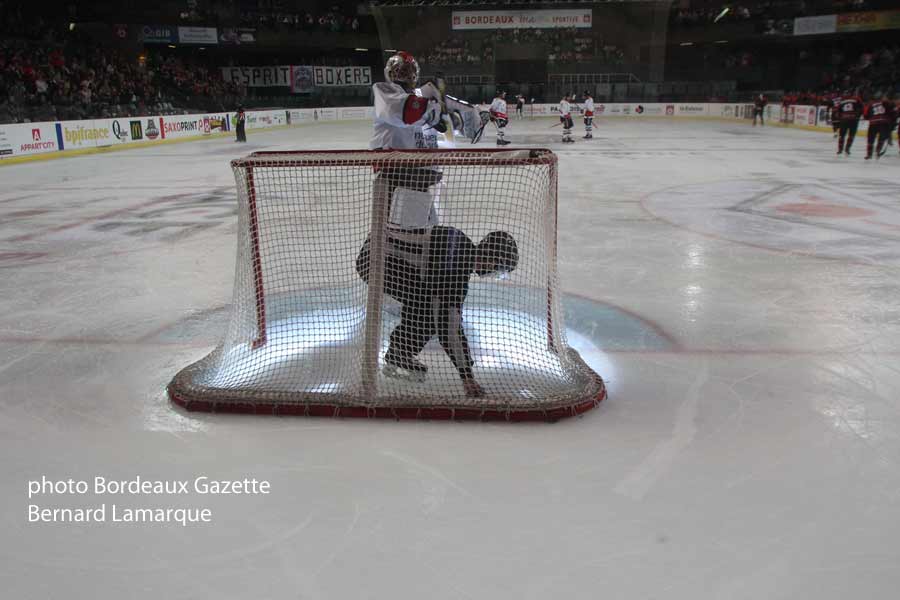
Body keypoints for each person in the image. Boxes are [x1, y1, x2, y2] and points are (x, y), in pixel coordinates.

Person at [356, 226, 519, 397]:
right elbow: (449, 329)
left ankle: (399, 351)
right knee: (434, 314)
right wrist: (467, 377)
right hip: (375, 259)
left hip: (374, 250)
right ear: (492, 260)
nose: (494, 274)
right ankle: (399, 353)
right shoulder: (454, 269)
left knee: (423, 300)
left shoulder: (459, 244)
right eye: (499, 270)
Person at [863, 93, 895, 160]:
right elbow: (892, 113)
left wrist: (869, 117)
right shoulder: (887, 103)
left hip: (873, 123)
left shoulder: (870, 104)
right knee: (881, 139)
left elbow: (866, 116)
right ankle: (878, 152)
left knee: (870, 140)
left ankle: (869, 154)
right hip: (884, 123)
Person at [836, 91, 863, 156]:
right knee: (851, 135)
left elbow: (838, 111)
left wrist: (841, 118)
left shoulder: (842, 101)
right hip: (853, 120)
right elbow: (862, 108)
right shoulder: (856, 99)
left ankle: (840, 149)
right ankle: (847, 149)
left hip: (844, 120)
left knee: (842, 135)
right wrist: (858, 116)